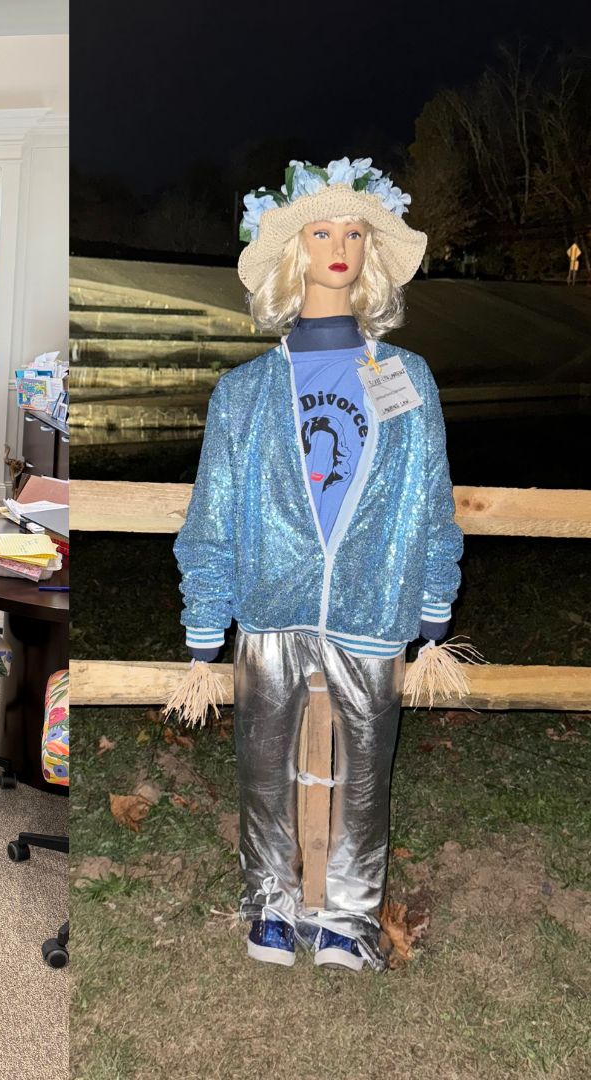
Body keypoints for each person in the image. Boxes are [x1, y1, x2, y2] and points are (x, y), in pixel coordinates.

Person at [173, 158, 463, 971]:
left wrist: (434, 608)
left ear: (371, 252)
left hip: (373, 606)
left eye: (355, 232)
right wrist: (205, 630)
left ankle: (348, 916)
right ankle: (268, 902)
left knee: (370, 771)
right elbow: (213, 517)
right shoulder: (245, 393)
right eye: (322, 230)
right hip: (270, 606)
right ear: (295, 250)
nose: (339, 246)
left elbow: (430, 498)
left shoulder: (408, 380)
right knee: (260, 764)